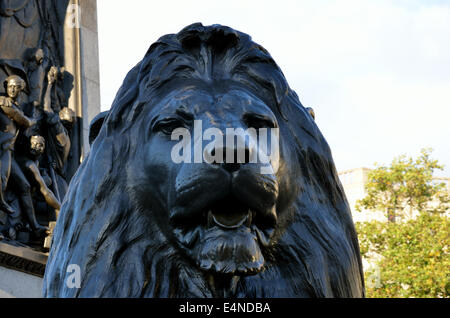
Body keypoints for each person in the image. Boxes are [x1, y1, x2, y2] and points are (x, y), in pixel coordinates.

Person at [0, 75, 36, 216]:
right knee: (1, 180)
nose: (12, 89)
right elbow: (23, 121)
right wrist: (33, 120)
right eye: (10, 86)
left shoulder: (15, 105)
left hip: (10, 150)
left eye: (16, 87)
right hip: (2, 147)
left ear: (21, 89)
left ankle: (34, 226)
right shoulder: (4, 103)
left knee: (25, 186)